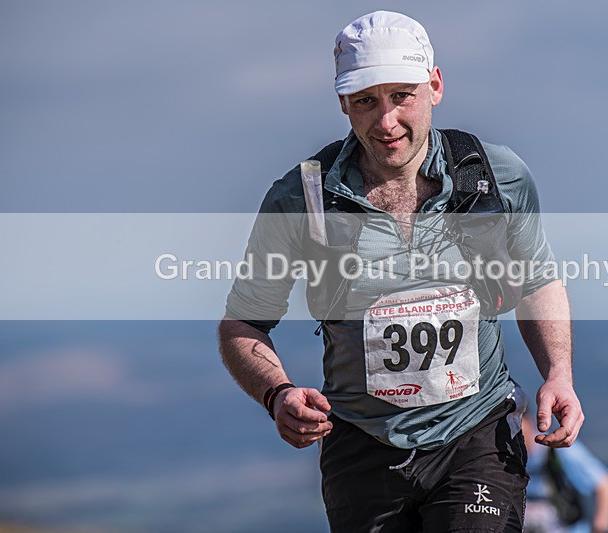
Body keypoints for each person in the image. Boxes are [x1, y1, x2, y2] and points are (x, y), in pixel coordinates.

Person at [218, 10, 584, 532]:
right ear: (343, 103)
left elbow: (538, 282)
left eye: (401, 96)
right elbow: (243, 325)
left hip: (475, 432)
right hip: (362, 448)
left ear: (435, 85)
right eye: (366, 101)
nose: (386, 121)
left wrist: (559, 376)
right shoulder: (301, 200)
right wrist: (277, 393)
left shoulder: (495, 177)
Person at [521, 413, 608, 533]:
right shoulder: (503, 457)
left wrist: (599, 528)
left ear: (529, 422)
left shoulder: (557, 449)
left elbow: (606, 486)